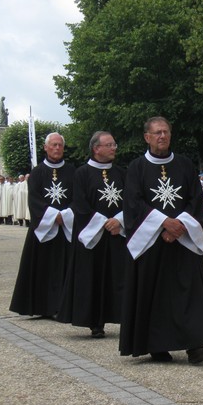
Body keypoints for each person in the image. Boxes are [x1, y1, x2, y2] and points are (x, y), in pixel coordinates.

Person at [119, 116, 203, 362]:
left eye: (166, 132)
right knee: (153, 293)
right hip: (151, 242)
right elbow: (133, 202)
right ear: (147, 137)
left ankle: (195, 344)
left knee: (189, 292)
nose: (162, 136)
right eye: (157, 133)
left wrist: (179, 225)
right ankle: (157, 345)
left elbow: (195, 199)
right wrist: (163, 223)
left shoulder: (184, 164)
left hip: (182, 239)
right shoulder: (136, 167)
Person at [56, 131, 127, 338]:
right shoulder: (82, 174)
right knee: (93, 278)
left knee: (119, 278)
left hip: (117, 234)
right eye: (110, 145)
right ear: (96, 148)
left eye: (114, 144)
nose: (114, 148)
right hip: (93, 236)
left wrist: (120, 221)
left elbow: (131, 201)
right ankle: (95, 322)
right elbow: (80, 204)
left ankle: (123, 316)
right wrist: (104, 223)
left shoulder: (122, 173)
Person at [9, 133, 75, 317]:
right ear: (45, 147)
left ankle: (63, 307)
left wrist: (66, 215)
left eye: (60, 145)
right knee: (42, 269)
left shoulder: (72, 171)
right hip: (44, 229)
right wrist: (54, 216)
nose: (56, 148)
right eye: (53, 145)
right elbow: (35, 200)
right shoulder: (37, 173)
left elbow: (78, 198)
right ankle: (42, 306)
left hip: (66, 228)